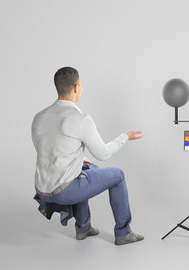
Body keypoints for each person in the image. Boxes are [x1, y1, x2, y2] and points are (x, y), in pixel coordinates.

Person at [32, 66, 144, 245]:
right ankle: (123, 232)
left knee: (86, 168)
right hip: (63, 192)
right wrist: (126, 137)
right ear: (76, 87)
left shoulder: (39, 117)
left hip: (42, 190)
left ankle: (83, 227)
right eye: (81, 84)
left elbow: (45, 149)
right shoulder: (80, 118)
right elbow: (103, 154)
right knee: (118, 175)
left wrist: (78, 159)